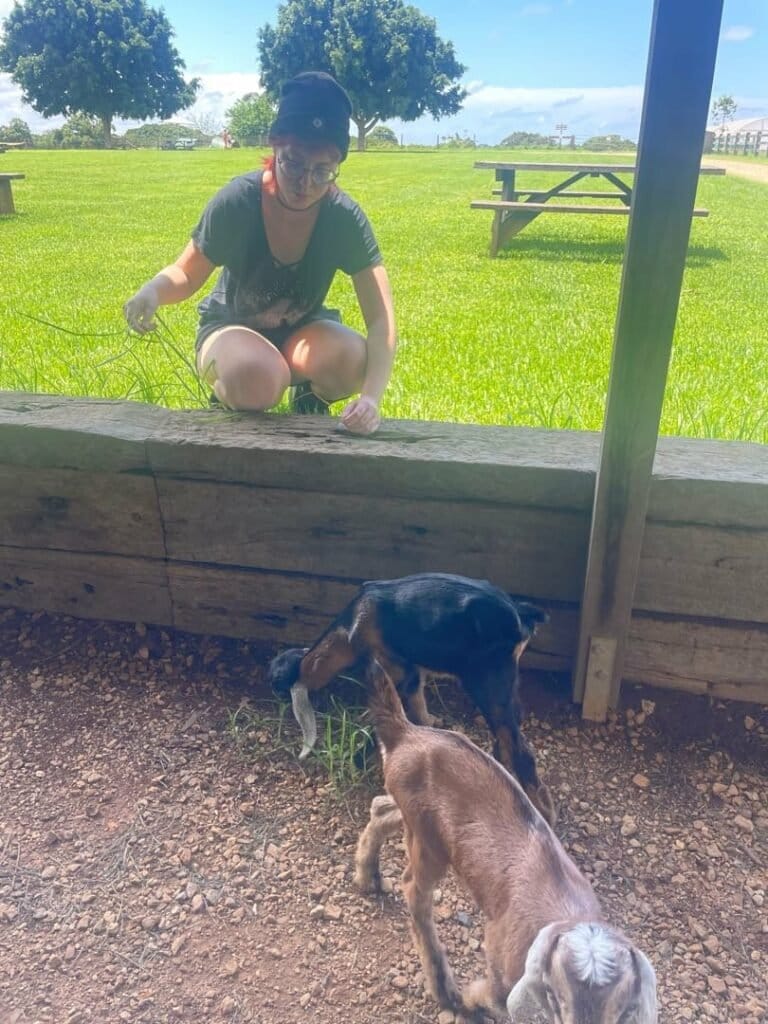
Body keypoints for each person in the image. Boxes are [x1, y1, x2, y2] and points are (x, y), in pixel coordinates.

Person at [123, 71, 396, 435]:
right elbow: (187, 273)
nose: (305, 184)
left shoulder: (343, 217)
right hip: (229, 329)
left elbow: (381, 320)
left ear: (338, 166)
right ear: (274, 148)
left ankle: (306, 399)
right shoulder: (239, 200)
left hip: (302, 334)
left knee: (354, 360)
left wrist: (371, 399)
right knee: (257, 377)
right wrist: (152, 290)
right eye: (293, 163)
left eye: (322, 172)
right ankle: (234, 390)